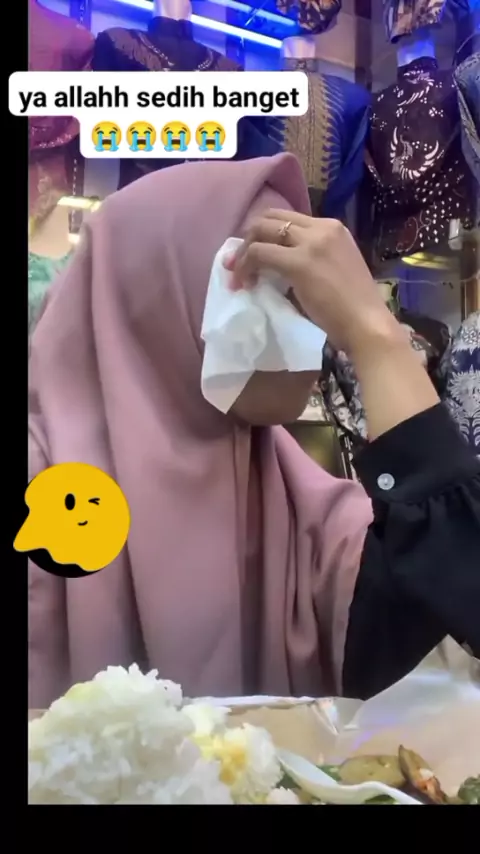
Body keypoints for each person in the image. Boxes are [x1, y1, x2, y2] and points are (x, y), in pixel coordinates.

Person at [28, 153, 480, 710]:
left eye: (307, 293)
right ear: (155, 294)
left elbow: (461, 589)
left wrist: (374, 335)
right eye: (266, 286)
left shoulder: (308, 519)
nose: (309, 323)